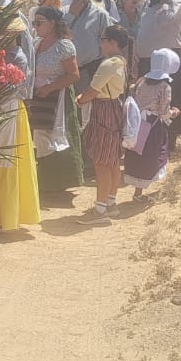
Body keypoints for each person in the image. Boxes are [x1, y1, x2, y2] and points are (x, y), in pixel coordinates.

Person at [0, 15, 41, 233]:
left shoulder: (19, 58)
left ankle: (9, 217)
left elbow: (12, 89)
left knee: (6, 164)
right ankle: (0, 214)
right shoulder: (2, 55)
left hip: (8, 109)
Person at [76, 24, 131, 226]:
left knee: (101, 162)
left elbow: (92, 91)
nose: (100, 44)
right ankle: (110, 203)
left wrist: (81, 100)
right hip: (114, 108)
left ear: (112, 43)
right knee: (113, 160)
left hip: (103, 111)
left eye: (102, 40)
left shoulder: (108, 64)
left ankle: (99, 211)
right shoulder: (121, 62)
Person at [28, 6, 83, 193]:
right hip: (39, 99)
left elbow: (74, 75)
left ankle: (59, 185)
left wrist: (49, 88)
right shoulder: (36, 43)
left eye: (39, 22)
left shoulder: (64, 46)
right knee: (39, 139)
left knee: (58, 140)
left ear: (52, 23)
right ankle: (42, 182)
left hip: (58, 100)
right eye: (34, 23)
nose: (35, 26)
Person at [123, 48, 179, 202]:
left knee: (137, 155)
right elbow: (163, 112)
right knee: (153, 156)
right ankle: (139, 194)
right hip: (153, 126)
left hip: (137, 124)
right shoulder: (165, 87)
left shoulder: (141, 82)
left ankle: (138, 192)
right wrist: (174, 113)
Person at [65, 0, 112, 88]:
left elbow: (108, 44)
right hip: (65, 73)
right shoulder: (63, 12)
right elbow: (58, 36)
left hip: (89, 71)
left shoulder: (100, 15)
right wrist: (71, 15)